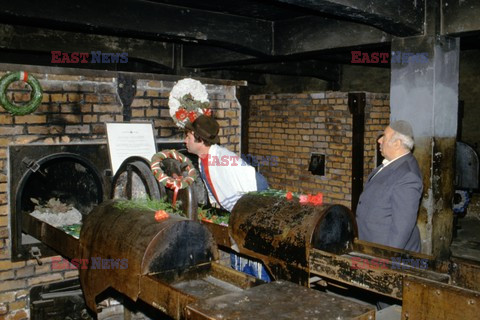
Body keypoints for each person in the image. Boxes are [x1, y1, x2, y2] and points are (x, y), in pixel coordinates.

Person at [184, 114, 271, 281]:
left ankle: (262, 290)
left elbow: (258, 182)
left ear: (199, 139)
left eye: (188, 137)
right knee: (241, 254)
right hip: (239, 213)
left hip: (255, 207)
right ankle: (246, 285)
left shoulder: (224, 158)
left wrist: (253, 213)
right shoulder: (203, 159)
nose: (185, 141)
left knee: (257, 255)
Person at [356, 120, 423, 252]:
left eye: (384, 137)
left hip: (384, 250)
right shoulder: (394, 164)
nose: (379, 140)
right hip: (371, 243)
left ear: (397, 144)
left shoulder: (408, 176)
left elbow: (402, 228)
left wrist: (386, 259)